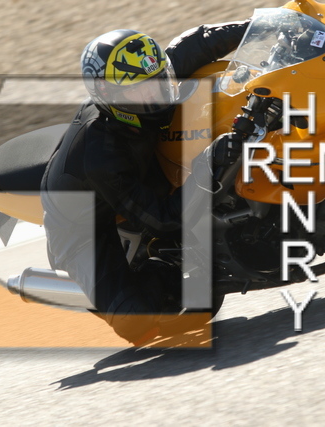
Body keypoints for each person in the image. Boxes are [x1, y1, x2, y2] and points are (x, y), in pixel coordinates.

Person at [41, 21, 248, 345]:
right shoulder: (100, 156)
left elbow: (201, 41)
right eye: (139, 88)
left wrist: (260, 26)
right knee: (139, 323)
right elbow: (163, 219)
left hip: (141, 171)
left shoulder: (151, 75)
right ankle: (142, 272)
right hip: (81, 228)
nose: (155, 92)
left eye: (158, 79)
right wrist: (210, 163)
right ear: (109, 95)